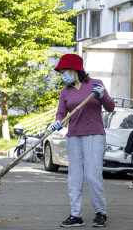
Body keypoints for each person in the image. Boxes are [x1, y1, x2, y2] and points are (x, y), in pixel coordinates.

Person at [49, 54, 115, 228]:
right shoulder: (65, 91)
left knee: (92, 176)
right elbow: (61, 113)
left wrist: (102, 96)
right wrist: (57, 121)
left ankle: (101, 213)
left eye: (64, 71)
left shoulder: (96, 84)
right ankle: (75, 215)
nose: (62, 75)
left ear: (74, 70)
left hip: (94, 135)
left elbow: (110, 107)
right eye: (61, 72)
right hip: (74, 136)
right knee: (74, 178)